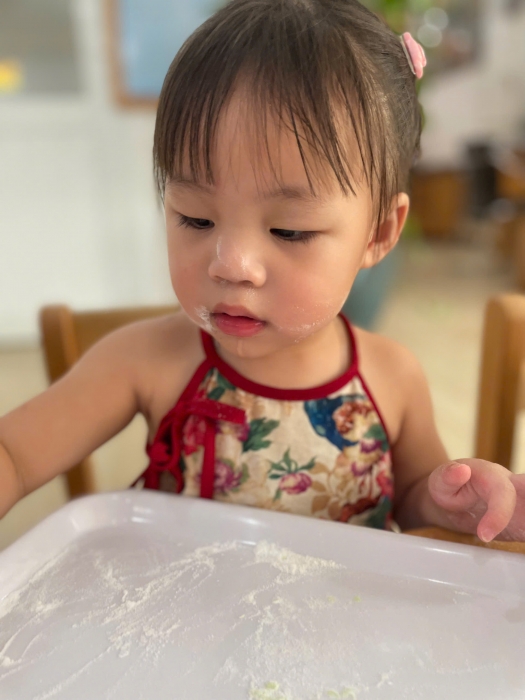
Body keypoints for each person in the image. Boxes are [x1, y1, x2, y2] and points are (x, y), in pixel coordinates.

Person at [0, 0, 523, 542]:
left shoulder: (393, 378)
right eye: (196, 218)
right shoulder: (143, 361)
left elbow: (412, 503)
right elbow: (13, 454)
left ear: (379, 233)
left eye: (289, 230)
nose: (231, 265)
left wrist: (454, 504)